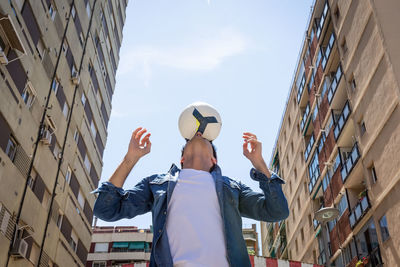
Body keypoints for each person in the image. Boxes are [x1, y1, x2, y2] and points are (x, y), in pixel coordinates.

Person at [92, 127, 289, 267]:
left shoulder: (231, 187)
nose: (198, 133)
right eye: (189, 139)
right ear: (182, 158)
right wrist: (130, 159)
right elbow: (105, 210)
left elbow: (277, 211)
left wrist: (260, 164)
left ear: (214, 159)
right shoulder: (156, 185)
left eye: (208, 140)